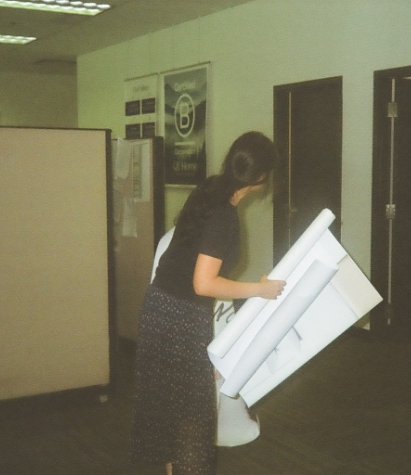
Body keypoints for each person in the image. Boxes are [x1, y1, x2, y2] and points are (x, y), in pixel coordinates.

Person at [129, 131, 286, 475]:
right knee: (191, 426)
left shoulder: (208, 190)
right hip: (182, 318)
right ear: (261, 178)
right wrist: (259, 290)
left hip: (159, 308)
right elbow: (203, 283)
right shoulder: (225, 216)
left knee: (173, 419)